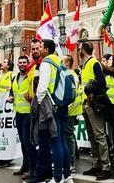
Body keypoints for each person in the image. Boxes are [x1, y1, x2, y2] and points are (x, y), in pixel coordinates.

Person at [30, 39, 67, 183]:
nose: (40, 50)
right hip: (62, 103)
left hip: (51, 106)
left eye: (42, 47)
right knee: (61, 141)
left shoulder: (46, 62)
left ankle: (58, 178)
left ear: (46, 49)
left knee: (55, 142)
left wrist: (37, 104)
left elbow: (42, 87)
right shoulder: (58, 60)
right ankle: (66, 174)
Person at [79, 41, 112, 180]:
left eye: (80, 49)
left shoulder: (94, 63)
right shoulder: (86, 64)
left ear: (83, 51)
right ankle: (97, 164)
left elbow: (101, 82)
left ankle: (106, 166)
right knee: (92, 135)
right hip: (86, 103)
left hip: (93, 103)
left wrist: (91, 91)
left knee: (99, 134)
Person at [11, 55, 35, 178]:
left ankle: (32, 168)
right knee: (22, 141)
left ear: (28, 63)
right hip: (18, 113)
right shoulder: (16, 77)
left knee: (28, 141)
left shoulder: (30, 76)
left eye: (24, 62)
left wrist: (31, 96)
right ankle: (25, 166)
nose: (22, 64)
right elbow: (13, 92)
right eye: (20, 62)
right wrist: (11, 98)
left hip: (28, 113)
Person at [63, 54, 82, 175]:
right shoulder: (71, 74)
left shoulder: (69, 74)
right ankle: (70, 161)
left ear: (67, 63)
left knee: (68, 136)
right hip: (72, 109)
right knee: (68, 135)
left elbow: (71, 93)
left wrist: (66, 106)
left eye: (62, 61)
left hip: (70, 110)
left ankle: (70, 163)